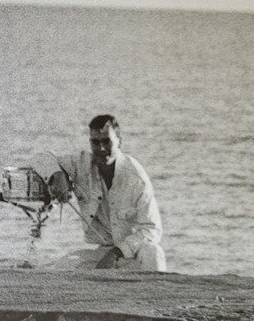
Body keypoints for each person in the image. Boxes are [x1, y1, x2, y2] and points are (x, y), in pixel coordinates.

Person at [43, 115, 166, 272]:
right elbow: (42, 158)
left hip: (133, 252)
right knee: (64, 265)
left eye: (106, 141)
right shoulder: (81, 163)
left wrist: (116, 253)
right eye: (95, 142)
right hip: (102, 251)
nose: (101, 148)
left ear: (119, 141)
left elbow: (152, 229)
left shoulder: (135, 177)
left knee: (154, 252)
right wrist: (57, 175)